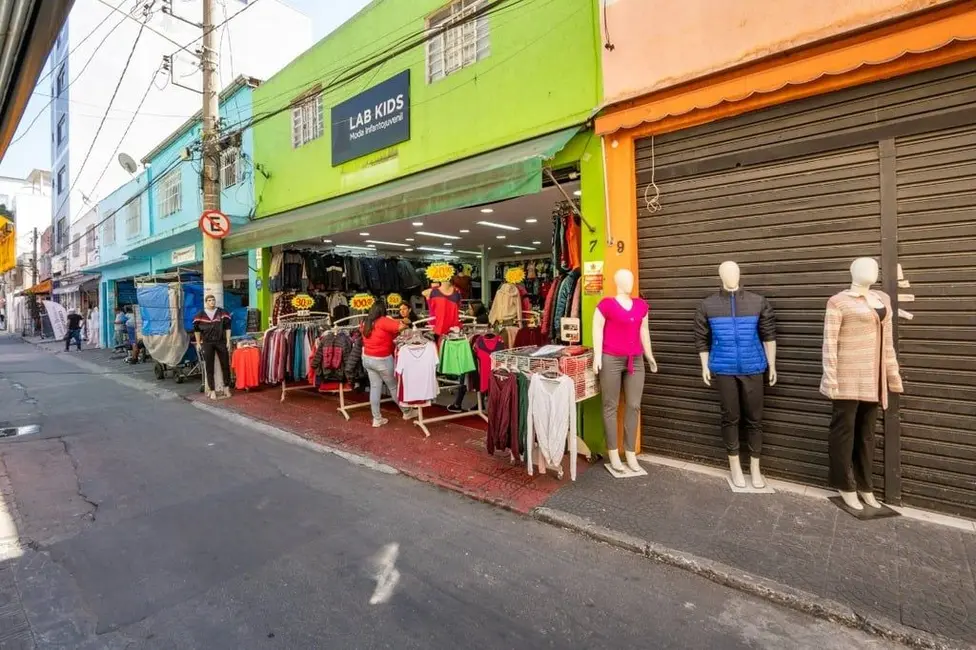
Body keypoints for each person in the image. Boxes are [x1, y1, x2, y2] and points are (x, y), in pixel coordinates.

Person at [361, 299, 416, 427]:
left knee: (375, 388)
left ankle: (377, 419)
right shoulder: (383, 321)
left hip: (367, 358)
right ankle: (407, 412)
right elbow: (401, 327)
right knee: (393, 387)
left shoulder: (365, 321)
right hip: (382, 359)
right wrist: (399, 321)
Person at [193, 294, 232, 400]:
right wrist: (198, 343)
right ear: (206, 302)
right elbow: (196, 330)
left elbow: (228, 327)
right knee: (209, 367)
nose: (212, 302)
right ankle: (212, 390)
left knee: (225, 365)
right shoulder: (200, 315)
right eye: (209, 300)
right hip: (207, 343)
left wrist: (228, 341)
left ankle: (226, 388)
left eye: (213, 300)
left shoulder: (222, 313)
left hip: (221, 341)